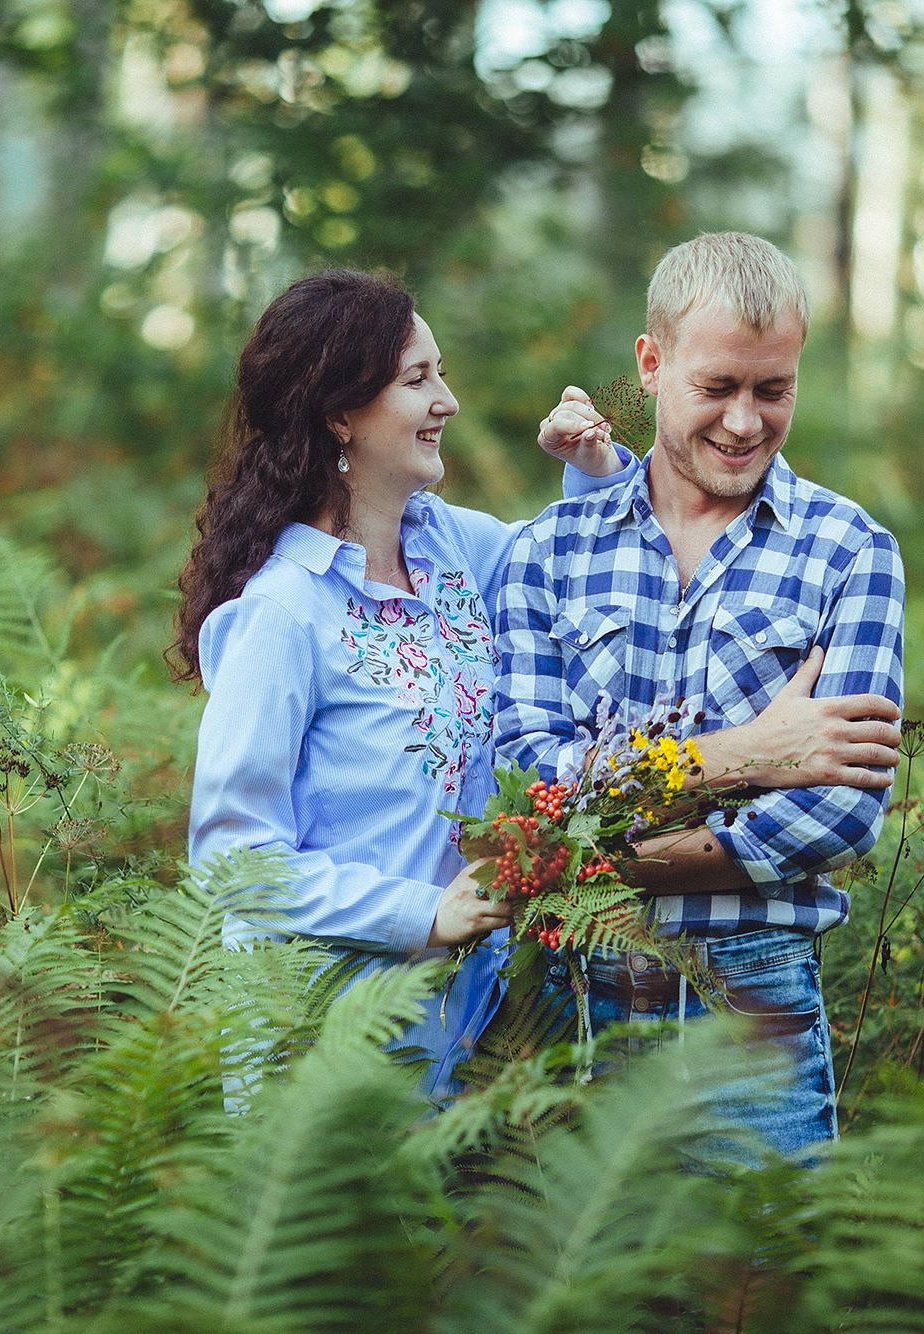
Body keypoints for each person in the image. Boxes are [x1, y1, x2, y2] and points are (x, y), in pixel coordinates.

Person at [177, 268, 633, 1105]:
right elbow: (234, 859)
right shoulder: (283, 615)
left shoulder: (451, 548)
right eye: (417, 380)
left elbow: (574, 572)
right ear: (339, 414)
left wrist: (595, 468)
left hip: (471, 1020)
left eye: (441, 373)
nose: (447, 401)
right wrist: (421, 916)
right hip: (322, 1039)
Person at [494, 231, 906, 1159]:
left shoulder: (849, 552)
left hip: (750, 998)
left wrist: (609, 850)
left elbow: (840, 810)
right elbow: (524, 779)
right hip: (565, 990)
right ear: (650, 363)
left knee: (752, 1291)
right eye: (715, 388)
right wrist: (751, 754)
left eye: (773, 389)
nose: (745, 422)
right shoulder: (547, 552)